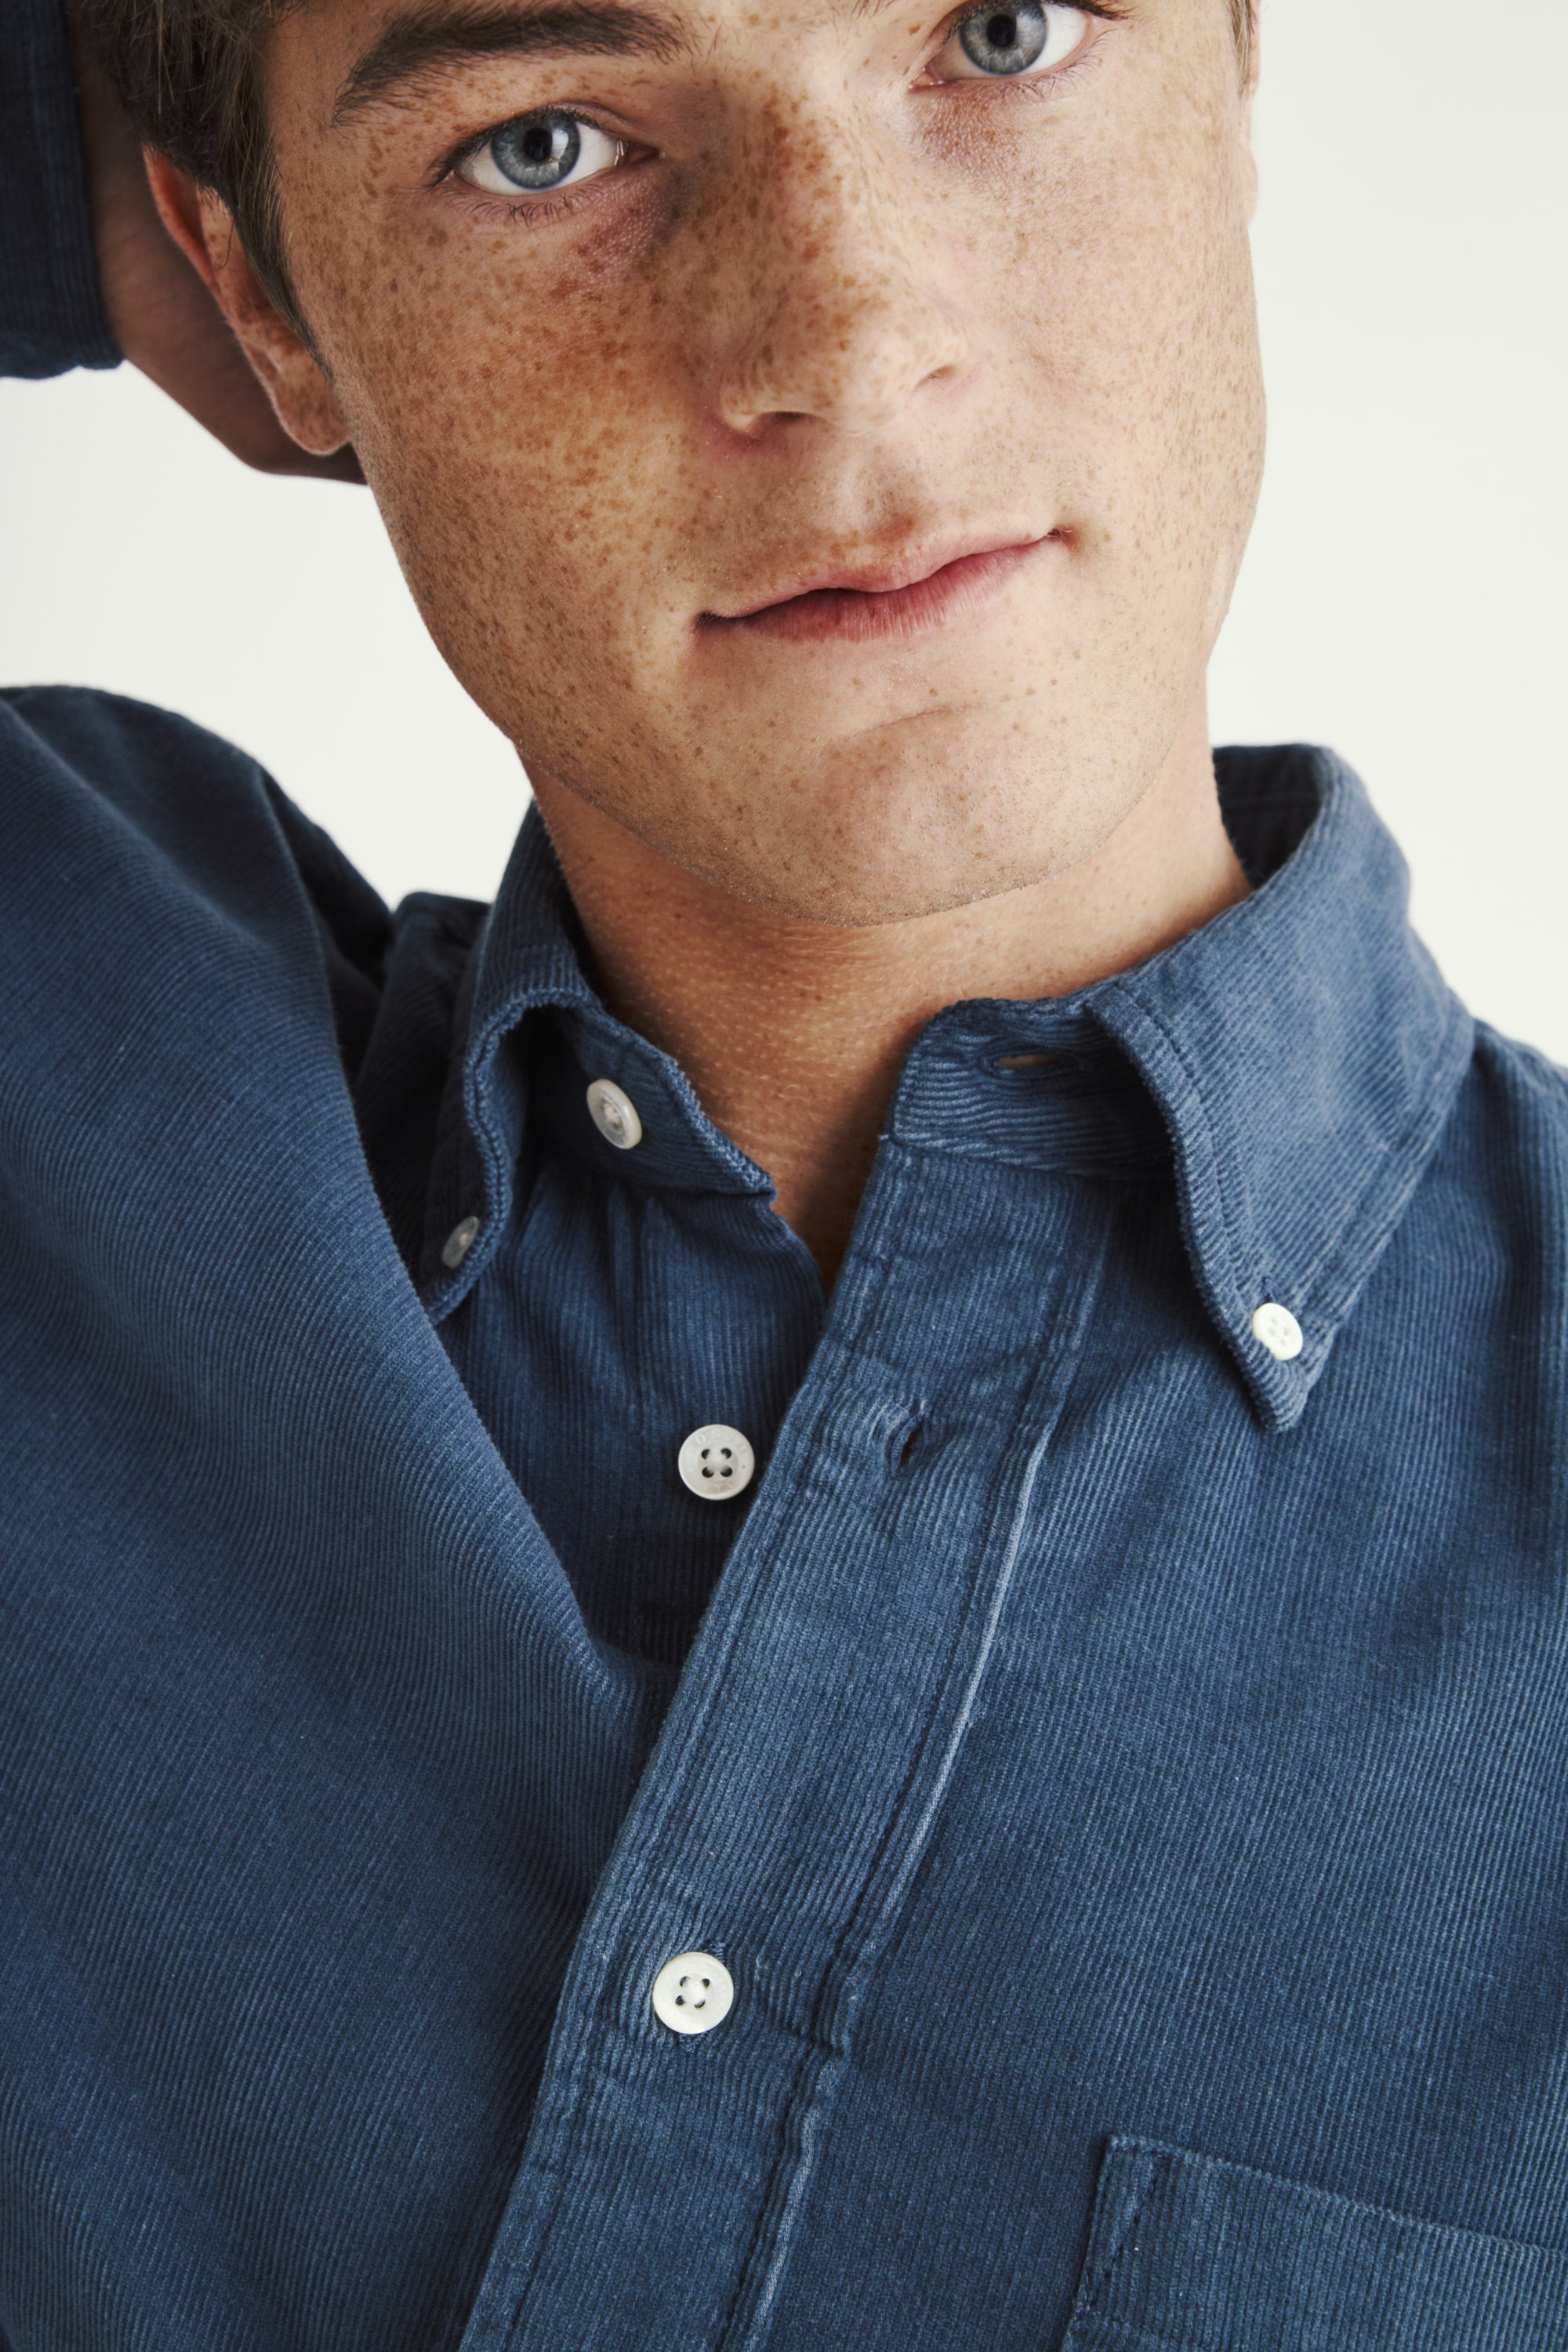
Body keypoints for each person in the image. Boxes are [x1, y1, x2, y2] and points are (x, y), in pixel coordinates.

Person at [2, 0, 1566, 2342]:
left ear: (1241, 57)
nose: (845, 344)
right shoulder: (65, 1060)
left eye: (1004, 33)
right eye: (546, 143)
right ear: (258, 297)